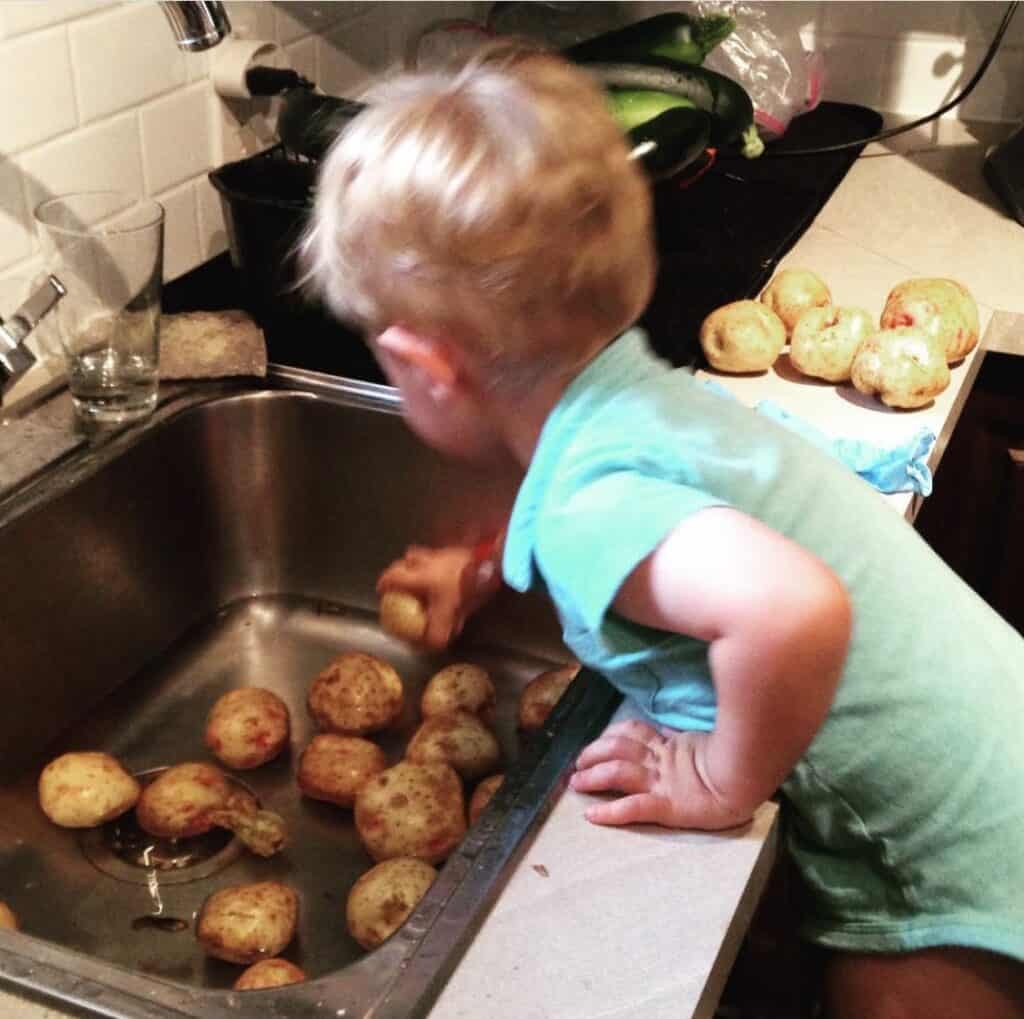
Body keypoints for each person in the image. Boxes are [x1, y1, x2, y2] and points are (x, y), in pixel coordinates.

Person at [299, 45, 1024, 1019]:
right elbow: (667, 521)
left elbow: (794, 608)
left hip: (949, 861)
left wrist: (719, 779)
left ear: (422, 364)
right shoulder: (645, 394)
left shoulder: (591, 507)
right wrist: (490, 565)